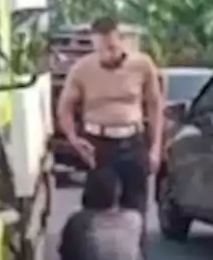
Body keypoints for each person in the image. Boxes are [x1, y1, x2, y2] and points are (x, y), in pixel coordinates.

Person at [55, 16, 164, 218]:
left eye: (112, 48)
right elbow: (64, 108)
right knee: (98, 205)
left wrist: (156, 148)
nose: (107, 55)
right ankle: (97, 248)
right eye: (101, 50)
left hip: (133, 140)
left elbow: (155, 105)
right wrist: (74, 140)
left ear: (121, 41)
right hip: (99, 144)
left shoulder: (142, 64)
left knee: (135, 208)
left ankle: (134, 249)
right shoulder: (82, 69)